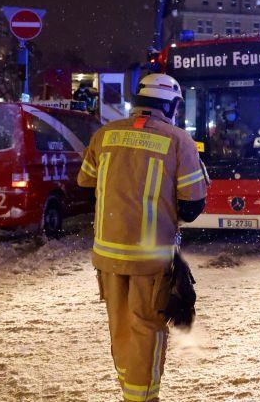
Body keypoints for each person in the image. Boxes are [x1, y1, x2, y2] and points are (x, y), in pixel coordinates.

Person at [78, 73, 208, 402]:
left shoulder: (105, 135)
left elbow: (85, 182)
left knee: (120, 330)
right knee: (147, 330)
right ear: (173, 104)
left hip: (107, 256)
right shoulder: (179, 140)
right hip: (150, 258)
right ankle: (143, 397)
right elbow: (193, 206)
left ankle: (130, 393)